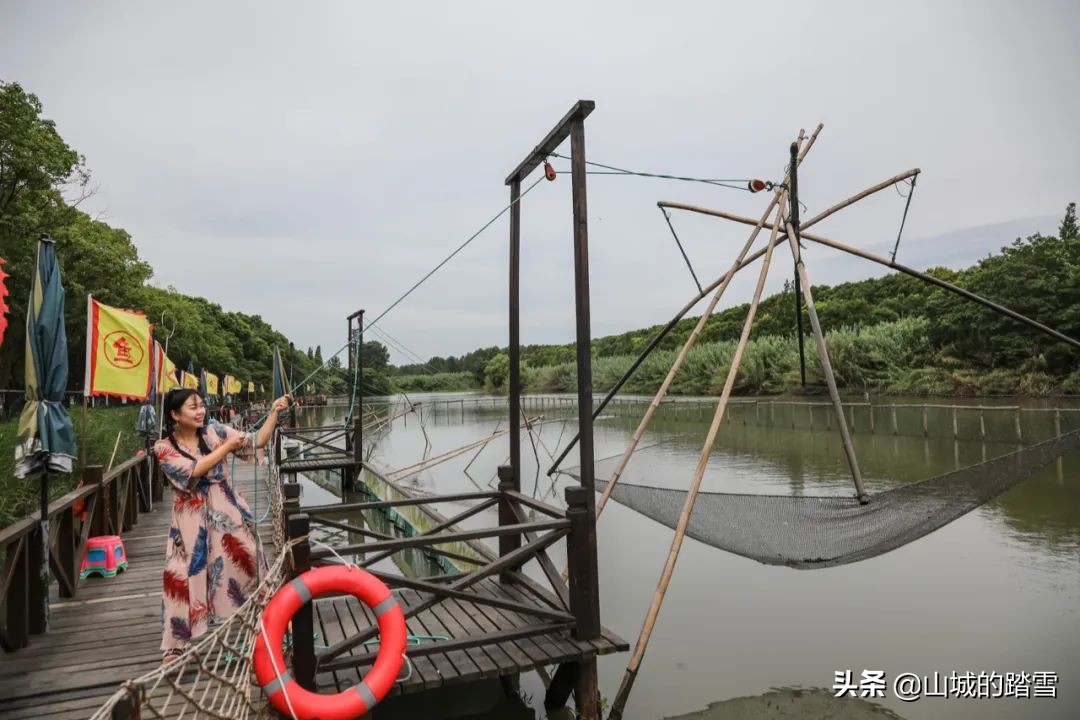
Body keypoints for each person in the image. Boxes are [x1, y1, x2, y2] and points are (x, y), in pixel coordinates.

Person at [154, 388, 290, 663]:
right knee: (179, 576)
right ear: (174, 414)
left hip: (226, 508)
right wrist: (227, 448)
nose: (201, 411)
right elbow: (193, 471)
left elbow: (257, 441)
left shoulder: (214, 431)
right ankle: (176, 644)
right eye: (193, 407)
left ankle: (273, 624)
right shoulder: (163, 448)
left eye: (202, 405)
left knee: (247, 562)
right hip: (189, 520)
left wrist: (275, 412)